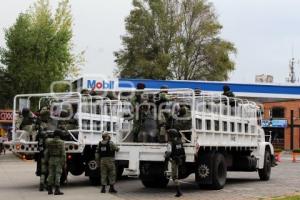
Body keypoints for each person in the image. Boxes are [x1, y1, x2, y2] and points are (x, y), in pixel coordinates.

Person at [165, 129, 186, 197]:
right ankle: (179, 192)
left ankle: (179, 192)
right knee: (176, 175)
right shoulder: (180, 141)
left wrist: (165, 156)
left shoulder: (170, 143)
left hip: (174, 160)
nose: (167, 136)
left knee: (174, 177)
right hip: (180, 160)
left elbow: (169, 152)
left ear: (171, 135)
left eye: (168, 135)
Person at [45, 129, 66, 195]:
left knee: (51, 174)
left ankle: (50, 189)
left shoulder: (49, 142)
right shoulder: (61, 142)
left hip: (51, 159)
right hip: (58, 159)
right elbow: (63, 154)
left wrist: (46, 160)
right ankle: (57, 190)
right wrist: (64, 162)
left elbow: (46, 152)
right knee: (58, 174)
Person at [35, 109, 51, 191]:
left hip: (41, 155)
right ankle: (48, 184)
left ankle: (41, 184)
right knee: (48, 170)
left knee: (42, 171)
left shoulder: (39, 137)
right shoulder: (47, 138)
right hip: (47, 155)